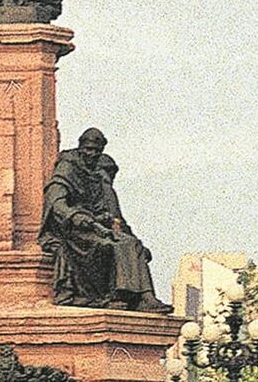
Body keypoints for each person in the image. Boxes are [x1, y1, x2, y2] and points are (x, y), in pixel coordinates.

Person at [39, 128, 172, 312]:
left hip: (96, 226)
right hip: (72, 230)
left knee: (133, 244)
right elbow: (56, 203)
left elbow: (116, 215)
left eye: (96, 151)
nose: (91, 154)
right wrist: (76, 216)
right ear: (80, 147)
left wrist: (117, 228)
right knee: (112, 246)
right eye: (88, 149)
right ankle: (117, 295)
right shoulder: (68, 167)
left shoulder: (99, 174)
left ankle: (146, 297)